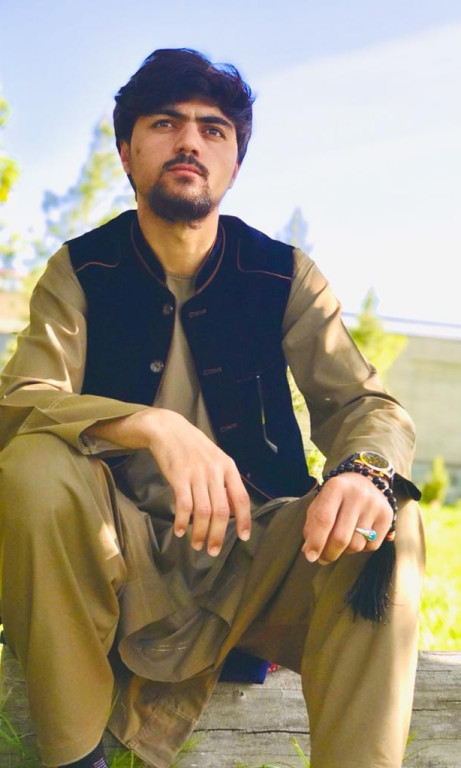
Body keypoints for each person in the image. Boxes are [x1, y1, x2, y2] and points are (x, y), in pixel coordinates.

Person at [0, 48, 423, 768]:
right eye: (165, 123)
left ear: (234, 164)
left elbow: (362, 402)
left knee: (387, 518)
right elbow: (22, 401)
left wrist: (362, 472)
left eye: (213, 129)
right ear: (126, 152)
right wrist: (149, 425)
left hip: (258, 566)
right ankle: (76, 759)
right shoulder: (80, 269)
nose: (190, 141)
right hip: (116, 562)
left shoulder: (283, 274)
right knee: (33, 464)